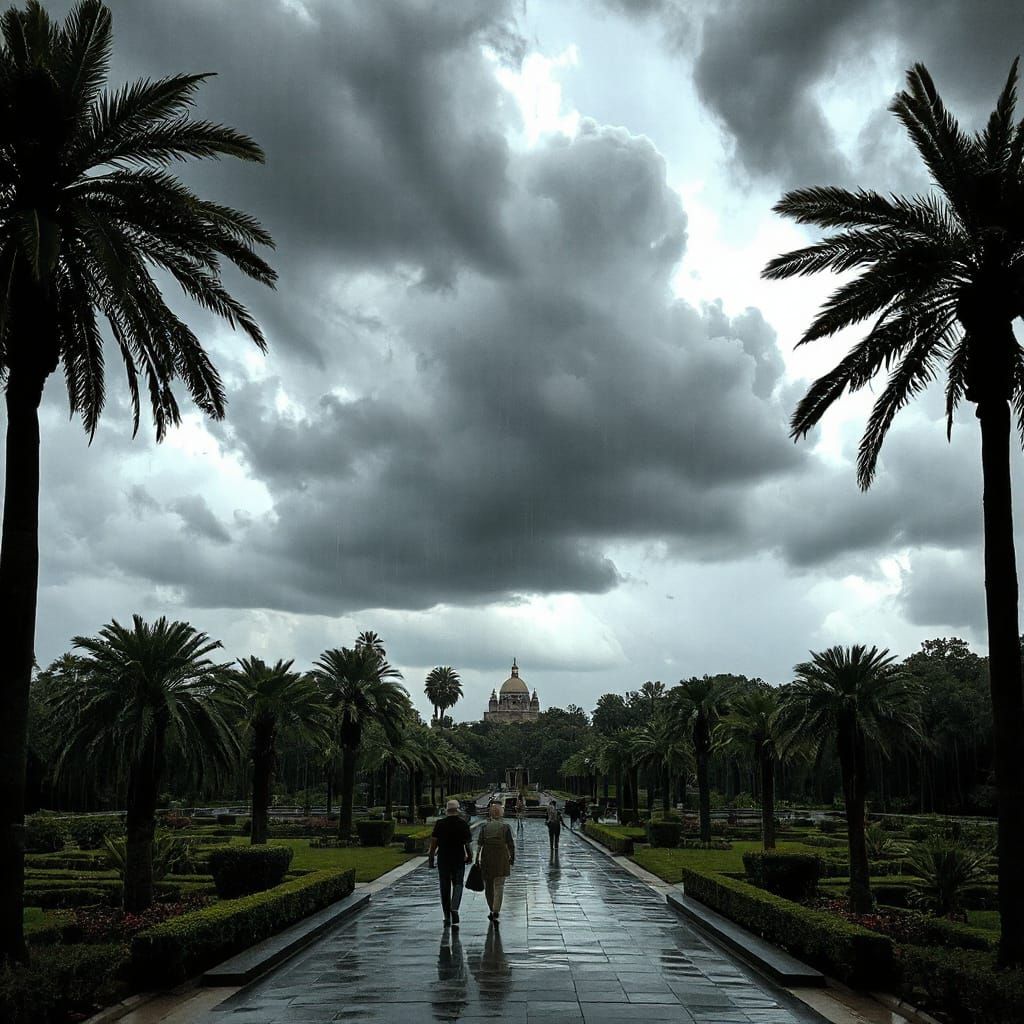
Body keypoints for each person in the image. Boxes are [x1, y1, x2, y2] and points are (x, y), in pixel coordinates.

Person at [428, 798, 473, 927]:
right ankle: (455, 907)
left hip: (443, 859)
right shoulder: (462, 824)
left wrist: (431, 859)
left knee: (444, 886)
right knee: (458, 884)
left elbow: (433, 844)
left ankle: (446, 916)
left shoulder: (440, 824)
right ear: (457, 810)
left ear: (447, 811)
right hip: (458, 858)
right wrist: (470, 856)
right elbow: (467, 844)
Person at [477, 801, 515, 922]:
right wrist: (512, 857)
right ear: (501, 814)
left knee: (488, 885)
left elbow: (479, 844)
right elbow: (510, 844)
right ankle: (496, 909)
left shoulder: (484, 827)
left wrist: (476, 858)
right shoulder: (505, 827)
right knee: (499, 885)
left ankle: (490, 907)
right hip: (501, 857)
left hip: (487, 857)